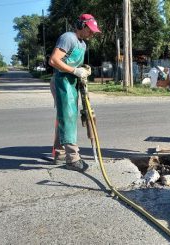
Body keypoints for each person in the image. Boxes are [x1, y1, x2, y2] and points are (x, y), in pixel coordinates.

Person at [48, 14, 101, 172]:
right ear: (81, 25)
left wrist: (83, 69)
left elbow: (75, 62)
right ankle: (73, 158)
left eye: (93, 31)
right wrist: (75, 71)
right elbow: (54, 60)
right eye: (90, 30)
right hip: (61, 80)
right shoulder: (68, 37)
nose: (92, 34)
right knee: (68, 115)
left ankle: (59, 153)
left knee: (65, 115)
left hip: (71, 81)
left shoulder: (82, 44)